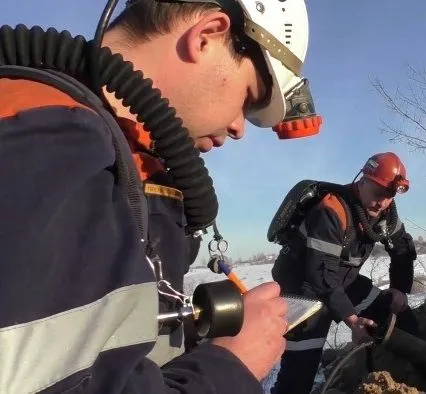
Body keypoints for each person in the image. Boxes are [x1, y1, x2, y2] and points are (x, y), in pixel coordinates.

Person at [0, 0, 321, 392]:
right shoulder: (46, 140)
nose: (239, 128)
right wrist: (230, 366)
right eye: (249, 98)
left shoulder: (132, 162)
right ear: (207, 36)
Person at [269, 152, 420, 394]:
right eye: (378, 192)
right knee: (298, 377)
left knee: (401, 318)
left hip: (344, 281)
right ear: (362, 182)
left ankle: (409, 377)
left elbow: (403, 247)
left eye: (389, 196)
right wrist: (351, 319)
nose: (382, 202)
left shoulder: (385, 213)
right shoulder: (332, 209)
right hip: (304, 291)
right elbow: (320, 273)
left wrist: (400, 289)